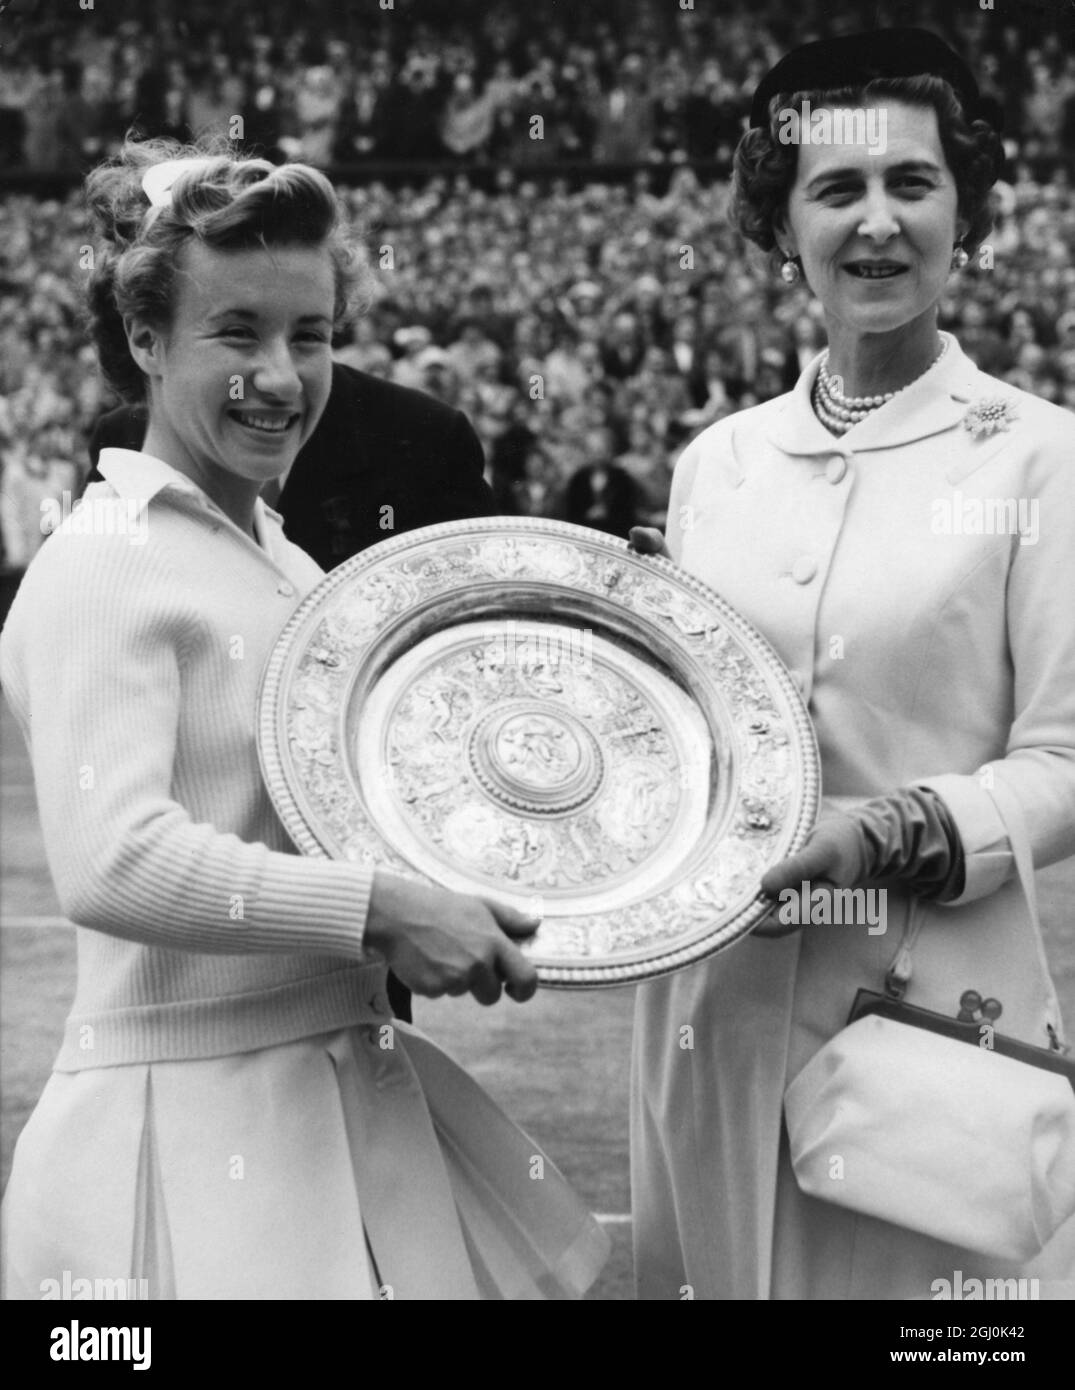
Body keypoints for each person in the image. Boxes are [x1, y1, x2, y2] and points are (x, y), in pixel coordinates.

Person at [0, 139, 609, 1301]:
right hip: (188, 1124)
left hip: (334, 1086)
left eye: (311, 335)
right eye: (236, 332)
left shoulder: (271, 550)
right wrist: (382, 910)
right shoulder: (104, 560)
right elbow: (112, 861)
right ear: (144, 340)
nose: (281, 375)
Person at [629, 29, 1075, 1300]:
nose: (876, 223)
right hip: (711, 1001)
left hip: (932, 1019)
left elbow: (1064, 761)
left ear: (965, 212)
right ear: (780, 226)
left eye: (911, 184)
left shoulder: (1040, 458)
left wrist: (890, 830)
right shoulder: (717, 461)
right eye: (835, 189)